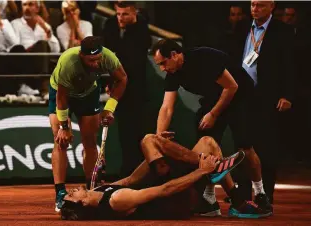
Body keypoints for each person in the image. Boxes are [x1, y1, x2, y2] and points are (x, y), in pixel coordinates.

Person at [151, 39, 273, 216]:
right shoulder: (173, 73)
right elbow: (167, 107)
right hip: (214, 98)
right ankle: (210, 199)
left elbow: (232, 87)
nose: (162, 68)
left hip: (240, 96)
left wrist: (213, 114)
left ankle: (261, 193)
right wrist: (159, 137)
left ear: (174, 55)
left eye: (163, 63)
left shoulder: (203, 59)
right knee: (206, 147)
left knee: (245, 147)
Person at [60, 134, 249, 220]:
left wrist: (158, 151)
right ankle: (225, 186)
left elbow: (130, 180)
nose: (71, 190)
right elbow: (164, 190)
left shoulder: (97, 192)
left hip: (168, 185)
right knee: (150, 140)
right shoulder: (117, 200)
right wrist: (201, 171)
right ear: (82, 204)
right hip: (178, 201)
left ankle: (233, 197)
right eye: (71, 195)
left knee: (207, 142)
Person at [224, 0, 294, 204]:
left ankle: (266, 195)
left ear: (272, 6)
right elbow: (232, 58)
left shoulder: (283, 31)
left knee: (266, 147)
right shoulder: (242, 27)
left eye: (261, 5)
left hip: (268, 96)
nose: (255, 9)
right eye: (253, 4)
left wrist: (288, 95)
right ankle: (243, 193)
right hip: (241, 94)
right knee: (242, 145)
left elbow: (291, 66)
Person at [49, 36, 127, 212]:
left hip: (89, 93)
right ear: (81, 55)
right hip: (62, 94)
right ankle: (60, 193)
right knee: (60, 141)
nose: (96, 63)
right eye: (91, 60)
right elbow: (61, 99)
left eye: (98, 59)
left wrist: (110, 108)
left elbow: (122, 79)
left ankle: (92, 188)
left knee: (90, 142)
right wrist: (64, 127)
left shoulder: (108, 57)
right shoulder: (68, 62)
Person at [102, 1, 151, 178]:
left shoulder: (143, 29)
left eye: (125, 14)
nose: (121, 18)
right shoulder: (109, 25)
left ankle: (139, 172)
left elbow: (134, 60)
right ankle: (127, 172)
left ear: (134, 13)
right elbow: (105, 54)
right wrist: (110, 80)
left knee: (137, 131)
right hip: (117, 87)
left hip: (137, 89)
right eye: (118, 14)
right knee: (124, 132)